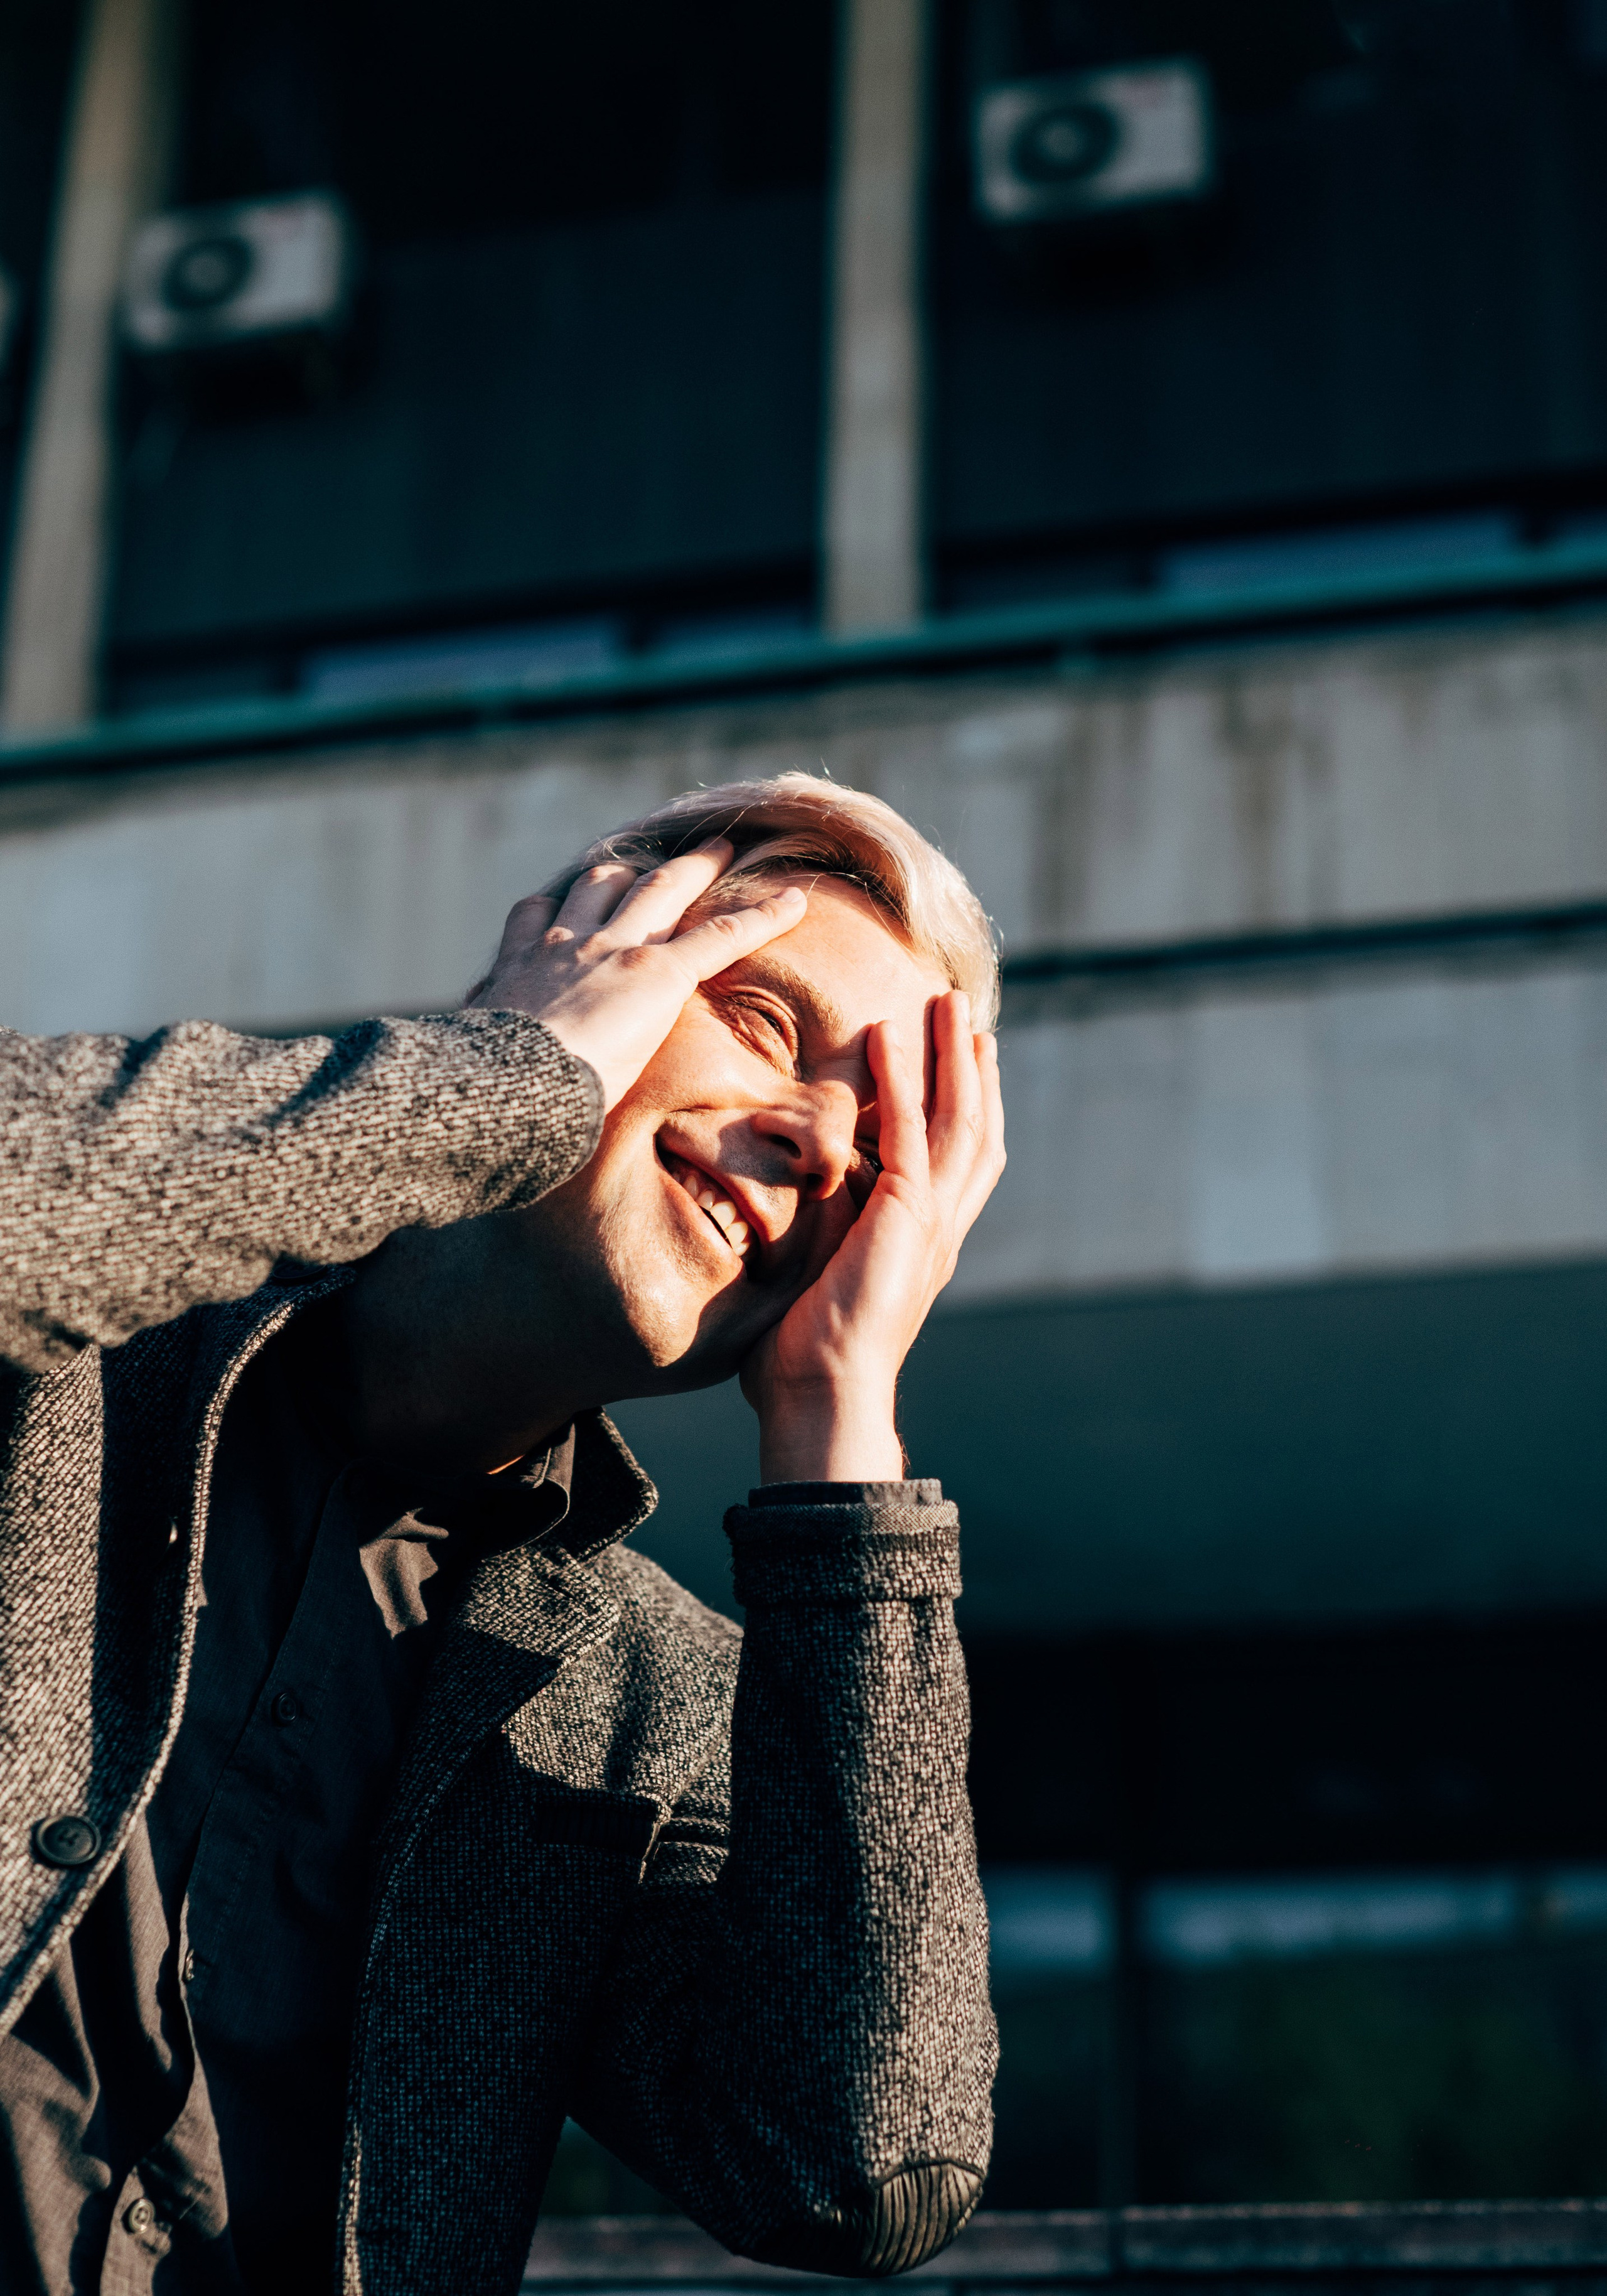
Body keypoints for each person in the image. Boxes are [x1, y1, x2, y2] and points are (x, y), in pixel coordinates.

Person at [0, 773, 1006, 2296]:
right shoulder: (60, 1376)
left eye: (874, 1159)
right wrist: (495, 1084)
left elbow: (856, 2165)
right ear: (579, 961)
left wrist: (840, 1420)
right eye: (765, 1023)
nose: (811, 1135)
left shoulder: (648, 1701)